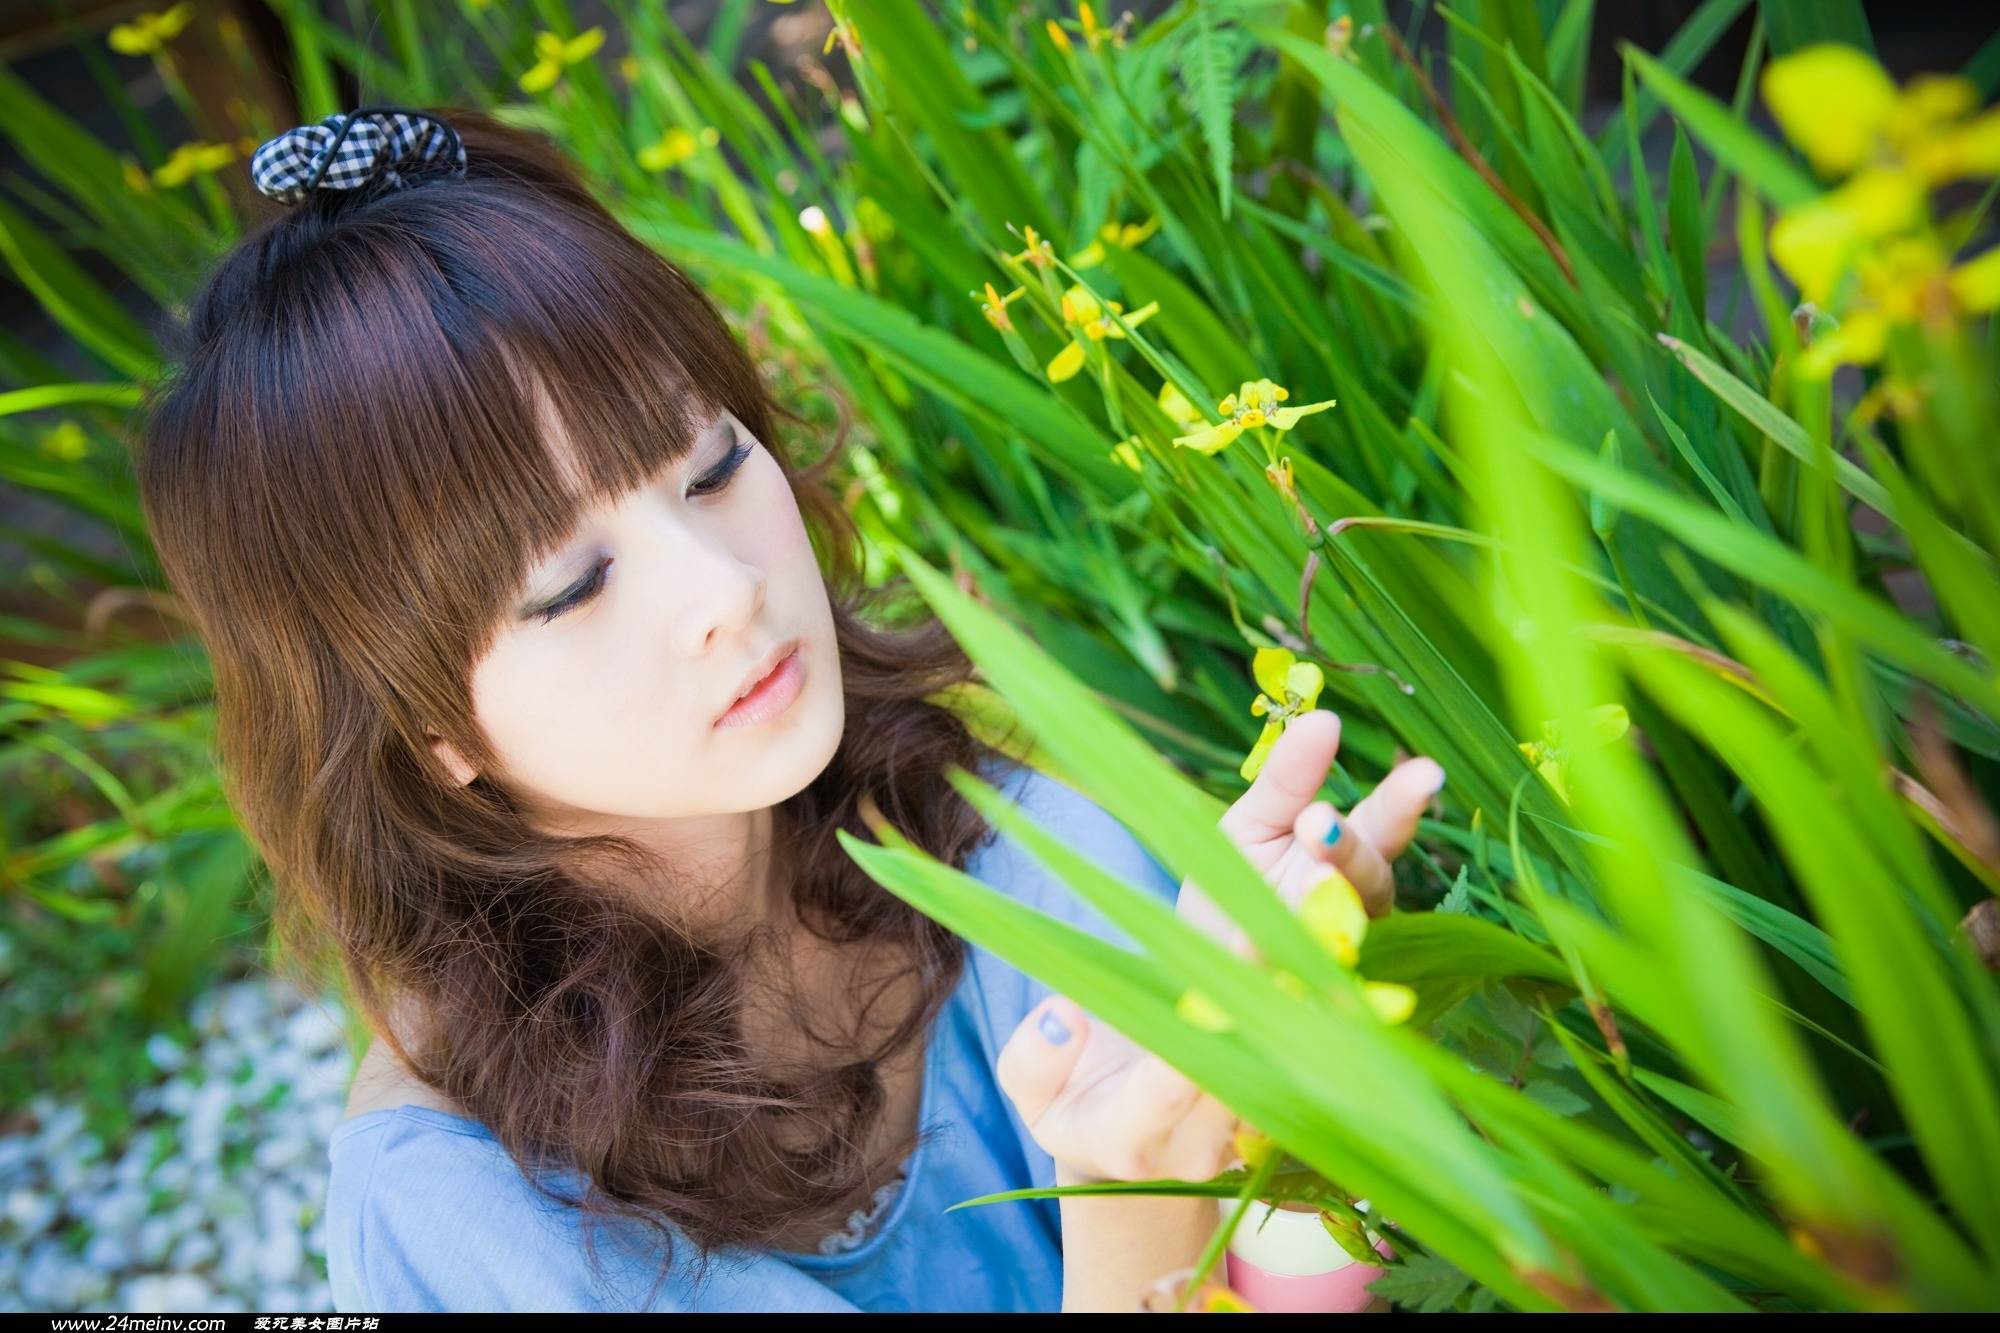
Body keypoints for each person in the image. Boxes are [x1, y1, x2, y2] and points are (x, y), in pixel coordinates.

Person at [130, 105, 1443, 1313]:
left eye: (709, 465)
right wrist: (1128, 1217)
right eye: (574, 584)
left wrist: (1287, 1074)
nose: (724, 587)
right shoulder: (466, 1220)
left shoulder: (1007, 843)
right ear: (429, 729)